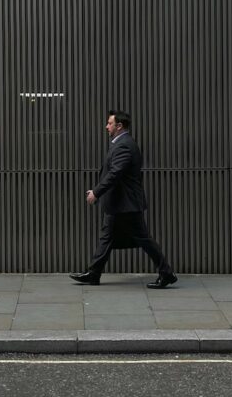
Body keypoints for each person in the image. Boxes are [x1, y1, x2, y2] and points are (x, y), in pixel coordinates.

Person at [70, 110, 177, 288]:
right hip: (119, 203)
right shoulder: (120, 144)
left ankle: (167, 273)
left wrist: (96, 192)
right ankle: (94, 274)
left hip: (126, 204)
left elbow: (115, 173)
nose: (106, 127)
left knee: (143, 239)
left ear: (119, 126)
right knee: (107, 237)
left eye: (109, 123)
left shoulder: (124, 145)